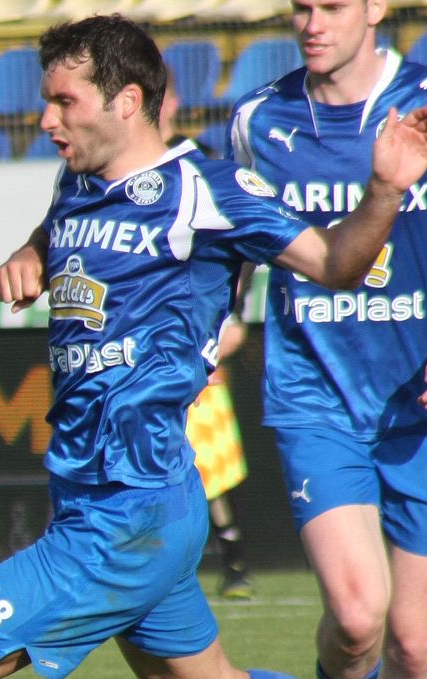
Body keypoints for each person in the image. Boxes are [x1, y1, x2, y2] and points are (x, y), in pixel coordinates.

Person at [0, 13, 427, 679]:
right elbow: (63, 227)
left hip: (125, 510)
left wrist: (385, 190)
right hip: (114, 500)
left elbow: (336, 262)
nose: (48, 121)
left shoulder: (208, 190)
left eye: (64, 102)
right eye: (46, 101)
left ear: (127, 101)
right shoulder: (77, 182)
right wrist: (32, 250)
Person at [227, 0, 427, 677]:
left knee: (413, 643)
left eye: (332, 7)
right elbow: (232, 237)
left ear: (376, 7)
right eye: (300, 7)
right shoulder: (259, 122)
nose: (312, 24)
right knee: (357, 621)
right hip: (315, 392)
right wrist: (216, 325)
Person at [162, 70, 255, 601]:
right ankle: (176, 562)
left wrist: (227, 316)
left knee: (209, 461)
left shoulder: (200, 163)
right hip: (152, 344)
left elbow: (239, 252)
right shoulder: (120, 172)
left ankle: (235, 558)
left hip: (197, 340)